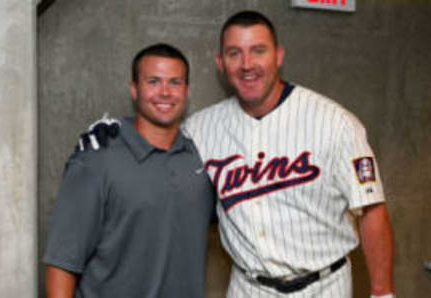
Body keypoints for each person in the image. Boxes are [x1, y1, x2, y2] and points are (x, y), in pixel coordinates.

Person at [79, 11, 395, 298]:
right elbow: (158, 144)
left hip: (324, 286)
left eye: (258, 50)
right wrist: (117, 133)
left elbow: (372, 210)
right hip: (249, 287)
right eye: (235, 53)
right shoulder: (200, 129)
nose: (247, 64)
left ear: (278, 56)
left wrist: (382, 293)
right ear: (221, 63)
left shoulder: (335, 123)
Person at [44, 43, 215, 298]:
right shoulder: (96, 159)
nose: (165, 92)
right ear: (134, 89)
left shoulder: (200, 156)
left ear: (187, 90)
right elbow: (62, 264)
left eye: (175, 82)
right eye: (153, 81)